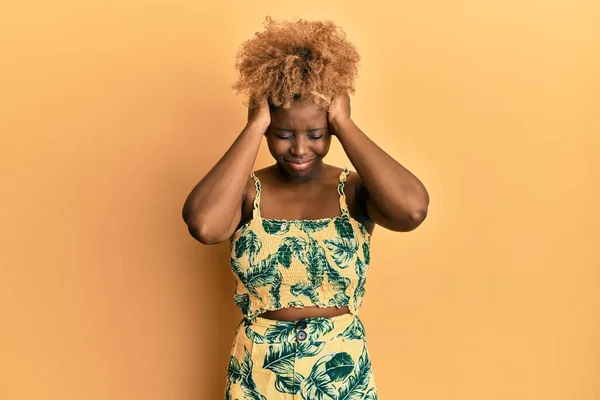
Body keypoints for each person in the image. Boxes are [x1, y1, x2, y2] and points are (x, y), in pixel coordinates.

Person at [182, 17, 429, 400]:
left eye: (315, 134)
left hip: (341, 374)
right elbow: (204, 225)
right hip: (259, 375)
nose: (299, 149)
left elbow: (412, 210)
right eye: (282, 134)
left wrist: (344, 123)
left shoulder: (355, 191)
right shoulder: (247, 193)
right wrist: (255, 123)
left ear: (330, 129)